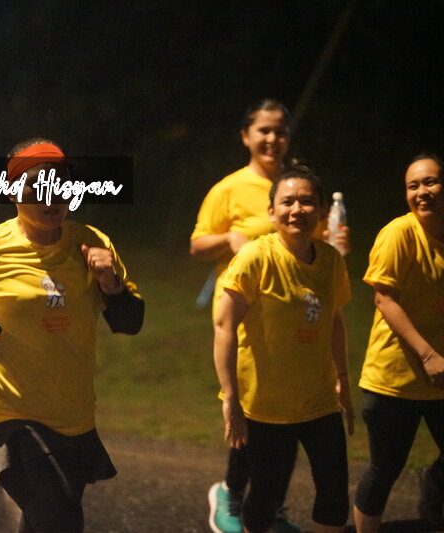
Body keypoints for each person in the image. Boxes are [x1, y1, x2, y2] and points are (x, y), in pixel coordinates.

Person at [0, 138, 144, 532]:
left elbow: (129, 322)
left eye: (61, 184)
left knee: (46, 518)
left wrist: (111, 284)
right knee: (60, 518)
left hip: (72, 417)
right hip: (7, 415)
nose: (51, 194)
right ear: (11, 192)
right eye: (37, 185)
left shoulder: (92, 243)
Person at [191, 98, 349, 533]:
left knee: (286, 427)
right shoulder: (229, 189)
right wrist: (229, 238)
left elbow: (319, 248)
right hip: (247, 316)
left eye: (281, 130)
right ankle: (233, 495)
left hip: (300, 316)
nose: (273, 138)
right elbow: (197, 245)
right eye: (264, 130)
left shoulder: (298, 184)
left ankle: (266, 504)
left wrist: (336, 245)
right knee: (256, 414)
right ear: (246, 136)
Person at [353, 154, 444, 532]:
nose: (422, 192)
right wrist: (428, 354)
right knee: (385, 468)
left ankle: (434, 484)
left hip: (440, 373)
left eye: (430, 182)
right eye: (413, 186)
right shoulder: (399, 233)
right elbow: (384, 299)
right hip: (395, 376)